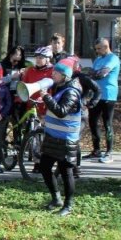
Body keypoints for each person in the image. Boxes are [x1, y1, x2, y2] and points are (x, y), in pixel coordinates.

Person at [37, 61, 82, 216]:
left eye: (56, 73)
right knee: (44, 166)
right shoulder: (61, 88)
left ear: (64, 76)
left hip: (66, 139)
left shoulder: (72, 92)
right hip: (53, 137)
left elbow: (62, 111)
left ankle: (68, 205)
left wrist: (47, 98)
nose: (52, 74)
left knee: (66, 171)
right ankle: (56, 198)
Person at [20, 48, 53, 173]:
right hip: (31, 106)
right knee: (33, 135)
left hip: (46, 107)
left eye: (41, 57)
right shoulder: (30, 70)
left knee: (44, 137)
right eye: (37, 57)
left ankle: (44, 161)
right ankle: (36, 162)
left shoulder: (52, 71)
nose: (38, 60)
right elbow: (24, 85)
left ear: (47, 59)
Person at [86, 38, 119, 164]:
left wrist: (94, 73)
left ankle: (109, 152)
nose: (97, 51)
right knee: (92, 122)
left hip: (109, 95)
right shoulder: (99, 59)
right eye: (96, 49)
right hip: (96, 94)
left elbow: (101, 74)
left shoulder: (113, 58)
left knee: (107, 123)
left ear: (106, 46)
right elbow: (92, 73)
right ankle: (96, 150)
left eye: (99, 49)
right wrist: (94, 73)